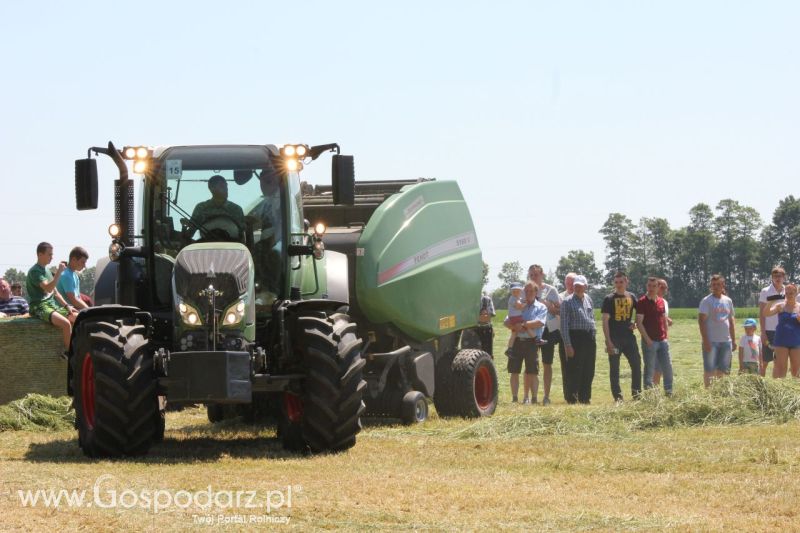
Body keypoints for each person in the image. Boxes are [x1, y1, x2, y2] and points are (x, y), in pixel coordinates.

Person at [26, 242, 78, 356]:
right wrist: (59, 272)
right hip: (39, 306)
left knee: (77, 317)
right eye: (49, 254)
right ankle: (70, 355)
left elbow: (55, 293)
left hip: (51, 306)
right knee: (66, 324)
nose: (52, 257)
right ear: (40, 254)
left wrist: (67, 306)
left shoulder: (47, 271)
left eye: (52, 254)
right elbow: (48, 288)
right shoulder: (35, 271)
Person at [503, 282, 547, 404]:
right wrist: (514, 326)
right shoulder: (518, 305)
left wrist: (522, 324)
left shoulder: (541, 307)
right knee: (514, 371)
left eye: (531, 291)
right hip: (517, 342)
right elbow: (506, 322)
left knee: (532, 371)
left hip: (532, 343)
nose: (528, 293)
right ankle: (515, 398)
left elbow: (539, 322)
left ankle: (534, 399)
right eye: (526, 291)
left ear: (536, 292)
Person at [601, 272, 641, 401]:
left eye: (621, 282)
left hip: (629, 338)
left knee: (636, 365)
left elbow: (640, 312)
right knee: (614, 368)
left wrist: (635, 323)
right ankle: (618, 398)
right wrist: (608, 341)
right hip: (614, 339)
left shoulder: (632, 296)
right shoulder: (609, 299)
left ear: (626, 282)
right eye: (616, 282)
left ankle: (637, 394)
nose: (618, 285)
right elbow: (605, 320)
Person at [561, 275, 596, 404]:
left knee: (589, 369)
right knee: (575, 369)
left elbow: (591, 317)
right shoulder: (567, 302)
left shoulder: (588, 299)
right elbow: (564, 325)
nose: (578, 288)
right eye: (576, 285)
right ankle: (573, 398)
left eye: (581, 286)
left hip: (589, 338)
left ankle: (585, 398)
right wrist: (568, 345)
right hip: (576, 338)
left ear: (585, 286)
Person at [529, 264, 561, 406]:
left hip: (548, 330)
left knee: (547, 363)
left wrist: (546, 304)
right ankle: (533, 396)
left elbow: (558, 311)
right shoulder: (527, 290)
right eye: (531, 275)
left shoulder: (551, 290)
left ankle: (546, 396)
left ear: (542, 275)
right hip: (532, 331)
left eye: (536, 274)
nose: (533, 277)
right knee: (531, 363)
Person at [698, 275, 737, 387]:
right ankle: (709, 394)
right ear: (711, 286)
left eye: (718, 284)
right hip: (711, 342)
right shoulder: (706, 301)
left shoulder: (728, 301)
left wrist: (733, 340)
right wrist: (706, 341)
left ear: (723, 285)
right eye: (713, 285)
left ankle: (720, 393)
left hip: (726, 342)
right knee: (710, 370)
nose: (715, 287)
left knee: (724, 370)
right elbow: (701, 321)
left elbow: (731, 321)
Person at [636, 277, 673, 394]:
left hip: (662, 341)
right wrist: (647, 340)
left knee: (667, 368)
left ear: (658, 288)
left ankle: (669, 392)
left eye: (654, 286)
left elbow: (663, 320)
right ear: (647, 287)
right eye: (649, 286)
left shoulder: (661, 302)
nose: (651, 288)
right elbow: (639, 323)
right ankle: (649, 394)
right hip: (650, 341)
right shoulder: (642, 302)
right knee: (650, 369)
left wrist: (666, 336)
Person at [188, 175, 245, 240]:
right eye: (221, 186)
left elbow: (242, 236)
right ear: (211, 188)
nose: (226, 189)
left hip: (232, 248)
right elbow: (190, 233)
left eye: (226, 186)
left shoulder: (236, 209)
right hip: (206, 247)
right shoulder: (201, 208)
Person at [762, 283, 800, 378]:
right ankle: (781, 390)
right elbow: (766, 313)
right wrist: (771, 301)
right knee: (781, 368)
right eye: (787, 293)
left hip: (796, 341)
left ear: (796, 293)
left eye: (791, 293)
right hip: (781, 341)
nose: (789, 295)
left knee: (796, 369)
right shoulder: (780, 306)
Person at [759, 267, 786, 378]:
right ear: (772, 278)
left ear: (784, 277)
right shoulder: (765, 291)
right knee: (765, 361)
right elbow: (761, 313)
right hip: (769, 330)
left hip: (783, 331)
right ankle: (761, 384)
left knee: (778, 362)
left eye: (780, 276)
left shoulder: (787, 291)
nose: (777, 278)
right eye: (775, 276)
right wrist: (763, 332)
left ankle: (776, 386)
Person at [505, 282, 539, 356]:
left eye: (518, 291)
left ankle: (509, 348)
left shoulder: (517, 298)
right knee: (526, 326)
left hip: (515, 317)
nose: (516, 292)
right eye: (514, 291)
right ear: (511, 292)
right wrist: (525, 304)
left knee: (514, 333)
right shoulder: (513, 298)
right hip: (515, 317)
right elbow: (519, 307)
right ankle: (536, 339)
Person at [652, 279, 673, 386]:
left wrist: (667, 319)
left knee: (662, 366)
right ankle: (653, 390)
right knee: (656, 366)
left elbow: (661, 315)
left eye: (666, 288)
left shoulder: (664, 302)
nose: (665, 290)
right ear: (657, 287)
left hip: (663, 338)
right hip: (654, 338)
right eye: (663, 287)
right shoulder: (652, 300)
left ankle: (660, 389)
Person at [56, 246, 91, 311]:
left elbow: (78, 298)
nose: (84, 266)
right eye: (82, 262)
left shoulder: (75, 275)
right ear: (73, 259)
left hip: (73, 309)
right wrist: (89, 310)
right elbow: (73, 300)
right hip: (63, 310)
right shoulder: (66, 275)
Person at [477, 291, 495, 356]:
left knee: (486, 356)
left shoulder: (486, 299)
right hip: (470, 331)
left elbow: (487, 318)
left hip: (485, 330)